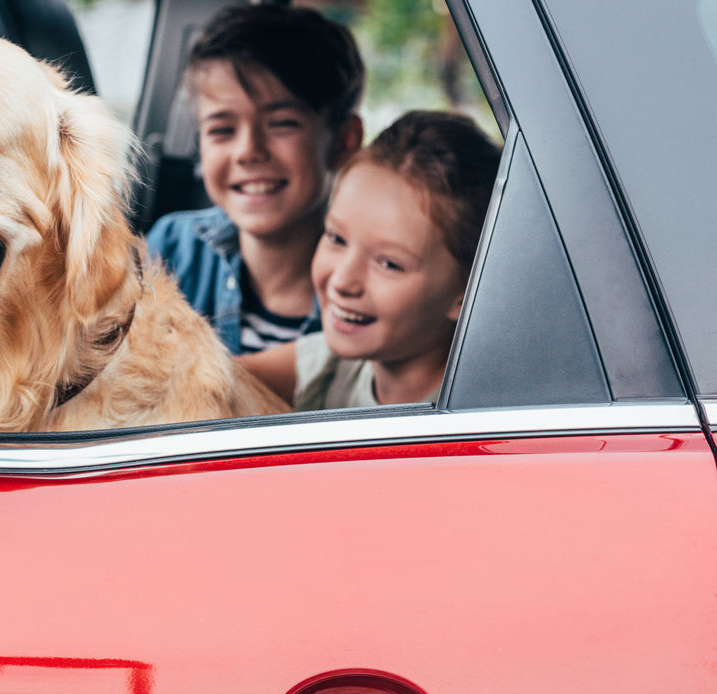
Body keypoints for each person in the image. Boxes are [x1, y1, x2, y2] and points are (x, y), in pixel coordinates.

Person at [239, 110, 501, 409]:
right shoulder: (333, 364)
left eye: (389, 264)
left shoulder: (479, 416)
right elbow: (212, 380)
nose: (342, 281)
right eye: (336, 238)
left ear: (467, 293)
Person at [146, 3, 365, 354]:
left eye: (281, 124)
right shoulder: (172, 248)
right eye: (221, 129)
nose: (248, 151)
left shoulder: (371, 292)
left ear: (344, 141)